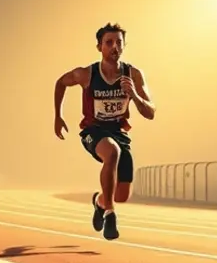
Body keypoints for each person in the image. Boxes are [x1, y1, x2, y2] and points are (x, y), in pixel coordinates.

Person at [53, 23, 156, 240]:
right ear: (99, 47)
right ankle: (110, 214)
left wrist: (134, 96)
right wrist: (58, 115)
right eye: (109, 42)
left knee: (121, 195)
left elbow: (151, 112)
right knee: (112, 152)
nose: (114, 47)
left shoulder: (133, 74)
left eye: (119, 42)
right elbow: (60, 83)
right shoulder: (86, 74)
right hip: (93, 130)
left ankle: (100, 202)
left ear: (124, 46)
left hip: (119, 132)